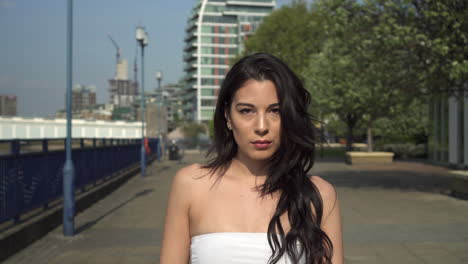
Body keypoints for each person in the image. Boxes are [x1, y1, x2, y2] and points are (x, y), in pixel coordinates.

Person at [160, 53, 343, 264]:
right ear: (228, 116)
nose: (262, 127)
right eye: (247, 111)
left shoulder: (319, 195)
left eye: (275, 111)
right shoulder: (191, 185)